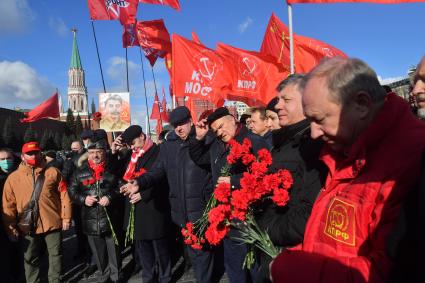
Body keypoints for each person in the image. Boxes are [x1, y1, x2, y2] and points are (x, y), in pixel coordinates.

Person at [270, 57, 425, 283]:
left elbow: (386, 271)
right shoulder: (343, 147)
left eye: (320, 119)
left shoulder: (411, 158)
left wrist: (290, 268)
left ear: (361, 104)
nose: (313, 133)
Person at [121, 106, 215, 283]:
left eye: (182, 124)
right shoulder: (168, 146)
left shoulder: (205, 139)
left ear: (190, 121)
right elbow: (157, 171)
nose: (179, 128)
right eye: (175, 125)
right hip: (180, 211)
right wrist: (139, 183)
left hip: (200, 208)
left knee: (203, 253)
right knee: (193, 254)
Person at [255, 74, 327, 283]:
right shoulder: (285, 141)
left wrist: (265, 229)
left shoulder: (314, 145)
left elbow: (309, 214)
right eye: (278, 100)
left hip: (292, 253)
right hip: (276, 253)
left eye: (286, 100)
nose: (277, 106)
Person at [190, 107, 269, 283]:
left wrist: (233, 181)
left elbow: (265, 172)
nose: (219, 132)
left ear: (233, 120)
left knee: (255, 268)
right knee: (234, 267)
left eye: (221, 126)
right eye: (215, 130)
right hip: (228, 216)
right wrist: (198, 138)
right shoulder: (216, 146)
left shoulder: (253, 141)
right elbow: (198, 158)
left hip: (251, 215)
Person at [2, 142, 72, 283]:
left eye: (35, 152)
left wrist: (66, 217)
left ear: (41, 153)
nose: (33, 156)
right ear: (22, 156)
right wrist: (10, 228)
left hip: (53, 223)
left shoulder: (53, 172)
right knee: (30, 258)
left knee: (56, 255)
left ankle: (55, 280)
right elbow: (8, 206)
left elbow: (64, 196)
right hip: (27, 226)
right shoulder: (13, 178)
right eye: (29, 153)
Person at [118, 125, 172, 283]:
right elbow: (120, 173)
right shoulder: (132, 155)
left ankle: (165, 277)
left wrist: (143, 194)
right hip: (136, 209)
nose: (132, 147)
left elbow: (162, 178)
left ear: (142, 136)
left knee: (160, 248)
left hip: (153, 207)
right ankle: (148, 277)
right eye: (129, 145)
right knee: (143, 248)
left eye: (133, 142)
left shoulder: (157, 151)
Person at [68, 139, 122, 283]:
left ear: (105, 153)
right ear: (87, 154)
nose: (95, 156)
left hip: (110, 218)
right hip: (90, 220)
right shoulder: (79, 171)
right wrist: (83, 199)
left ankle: (116, 278)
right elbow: (72, 191)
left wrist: (110, 196)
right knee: (99, 255)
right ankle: (104, 277)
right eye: (91, 153)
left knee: (114, 254)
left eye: (99, 152)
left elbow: (121, 187)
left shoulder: (113, 168)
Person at [0, 148, 23, 282]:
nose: (5, 162)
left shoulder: (19, 175)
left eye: (8, 158)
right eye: (2, 160)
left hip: (19, 219)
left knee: (18, 251)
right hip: (2, 221)